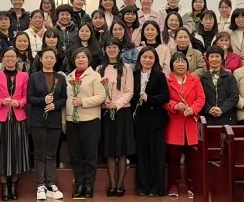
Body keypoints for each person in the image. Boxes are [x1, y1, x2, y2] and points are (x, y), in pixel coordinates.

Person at [0, 47, 30, 201]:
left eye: (13, 56)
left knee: (17, 152)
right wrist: (1, 101)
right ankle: (4, 187)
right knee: (2, 153)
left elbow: (27, 97)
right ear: (3, 59)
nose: (10, 59)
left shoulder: (24, 75)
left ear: (17, 59)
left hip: (18, 118)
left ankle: (14, 185)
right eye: (7, 56)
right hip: (1, 118)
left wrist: (19, 103)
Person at [64, 47, 105, 199]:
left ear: (88, 60)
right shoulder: (69, 77)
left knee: (90, 155)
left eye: (83, 57)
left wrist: (83, 102)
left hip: (90, 120)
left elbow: (101, 96)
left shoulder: (95, 76)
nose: (80, 60)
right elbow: (66, 100)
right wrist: (64, 119)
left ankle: (89, 186)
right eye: (77, 57)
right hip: (72, 120)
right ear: (73, 60)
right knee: (76, 155)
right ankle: (79, 184)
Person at [27, 47, 67, 201]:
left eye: (52, 57)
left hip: (55, 120)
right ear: (41, 59)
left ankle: (51, 183)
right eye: (46, 57)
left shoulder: (60, 78)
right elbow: (29, 97)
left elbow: (64, 98)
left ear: (55, 60)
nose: (49, 60)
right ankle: (40, 185)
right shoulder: (34, 77)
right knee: (40, 154)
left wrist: (55, 105)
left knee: (51, 153)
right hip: (38, 120)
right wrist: (43, 101)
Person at [164, 52, 205, 198]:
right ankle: (173, 185)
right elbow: (164, 99)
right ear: (172, 65)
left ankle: (192, 184)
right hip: (174, 123)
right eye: (177, 62)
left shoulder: (195, 79)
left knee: (192, 159)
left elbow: (201, 98)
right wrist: (174, 106)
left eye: (183, 61)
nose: (180, 64)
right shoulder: (167, 80)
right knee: (173, 158)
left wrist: (193, 109)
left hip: (191, 123)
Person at [98, 37, 136, 197]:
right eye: (109, 47)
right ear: (105, 49)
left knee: (121, 150)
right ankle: (112, 184)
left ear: (120, 49)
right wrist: (104, 101)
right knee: (110, 149)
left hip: (122, 112)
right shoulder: (99, 68)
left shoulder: (127, 68)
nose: (112, 49)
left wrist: (117, 104)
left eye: (115, 47)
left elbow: (129, 91)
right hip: (106, 112)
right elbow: (97, 89)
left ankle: (120, 184)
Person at [131, 46, 169, 197]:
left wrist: (149, 98)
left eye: (151, 58)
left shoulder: (159, 76)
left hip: (156, 121)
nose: (147, 60)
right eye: (144, 57)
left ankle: (156, 188)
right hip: (139, 120)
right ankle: (142, 187)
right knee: (142, 155)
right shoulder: (133, 75)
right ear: (139, 58)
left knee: (156, 155)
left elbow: (165, 96)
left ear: (155, 60)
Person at [200, 46, 239, 125]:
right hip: (208, 118)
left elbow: (234, 96)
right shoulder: (203, 78)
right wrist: (209, 109)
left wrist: (222, 109)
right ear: (207, 59)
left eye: (217, 56)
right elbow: (200, 97)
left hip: (227, 117)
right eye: (212, 56)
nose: (214, 59)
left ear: (222, 59)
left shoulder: (229, 77)